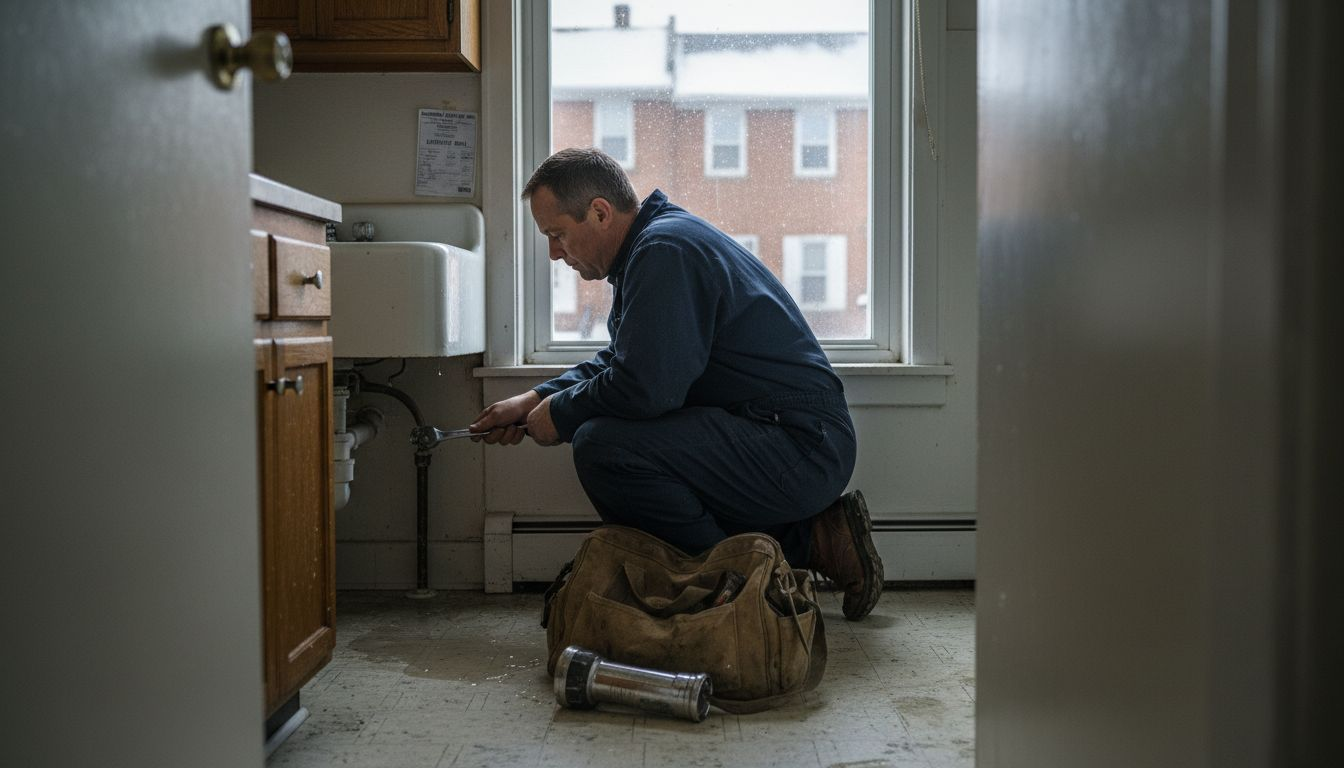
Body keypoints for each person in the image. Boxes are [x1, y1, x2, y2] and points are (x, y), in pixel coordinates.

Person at [471, 148, 884, 620]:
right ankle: (818, 540)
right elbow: (629, 360)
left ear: (600, 212)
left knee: (604, 448)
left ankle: (744, 590)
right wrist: (535, 399)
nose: (553, 252)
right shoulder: (655, 246)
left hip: (800, 446)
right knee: (636, 452)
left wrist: (561, 416)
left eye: (557, 234)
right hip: (787, 437)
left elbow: (648, 388)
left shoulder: (663, 252)